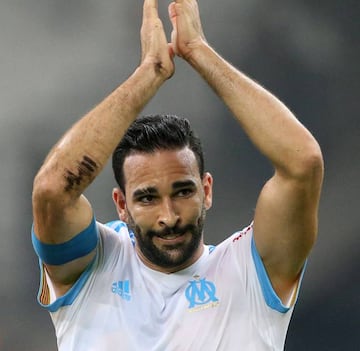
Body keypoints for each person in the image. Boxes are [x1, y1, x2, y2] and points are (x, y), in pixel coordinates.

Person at [31, 0, 324, 350]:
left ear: (207, 189)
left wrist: (199, 52)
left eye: (183, 192)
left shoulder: (251, 272)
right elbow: (52, 190)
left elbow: (302, 163)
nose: (168, 217)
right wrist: (149, 73)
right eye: (147, 197)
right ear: (121, 204)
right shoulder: (88, 269)